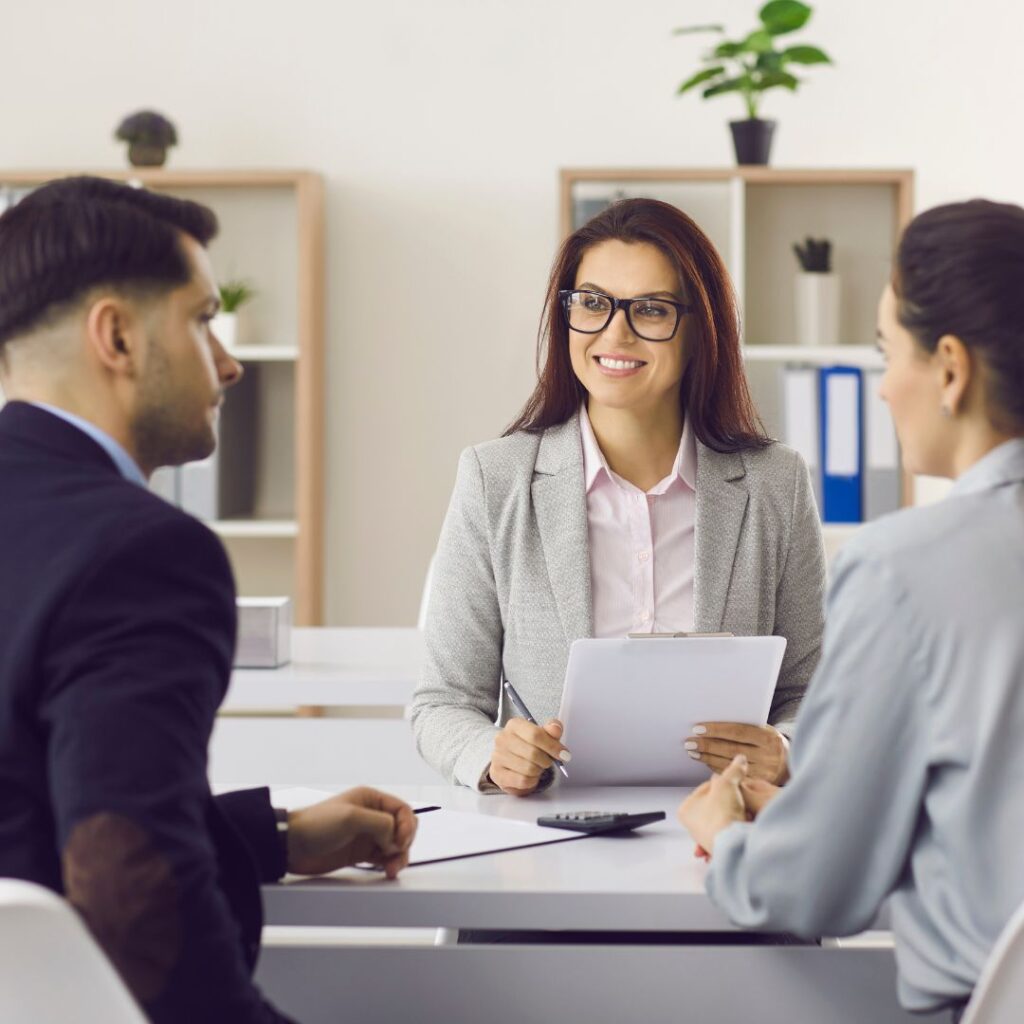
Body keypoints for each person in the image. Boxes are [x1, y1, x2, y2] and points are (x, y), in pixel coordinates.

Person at [0, 176, 417, 1024]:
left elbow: (33, 819)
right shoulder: (142, 553)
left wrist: (275, 837)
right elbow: (131, 902)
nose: (227, 364)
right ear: (115, 335)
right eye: (200, 320)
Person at [678, 198, 1024, 1023]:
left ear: (949, 368)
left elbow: (810, 891)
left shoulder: (902, 568)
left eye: (884, 352)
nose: (880, 390)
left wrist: (728, 834)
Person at [412, 198, 826, 795]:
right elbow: (442, 702)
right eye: (593, 303)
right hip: (551, 833)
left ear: (698, 331)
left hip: (727, 829)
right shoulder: (493, 479)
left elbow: (814, 693)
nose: (616, 333)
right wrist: (491, 756)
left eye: (651, 310)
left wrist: (785, 749)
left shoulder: (774, 485)